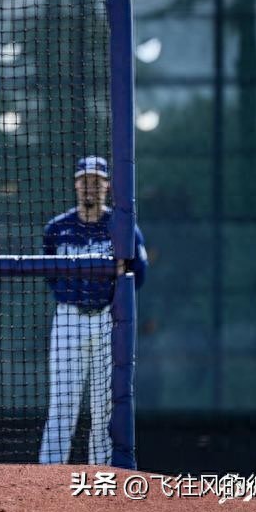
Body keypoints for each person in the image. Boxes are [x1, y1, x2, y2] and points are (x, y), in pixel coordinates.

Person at [38, 156, 148, 465]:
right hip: (69, 318)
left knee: (104, 408)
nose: (90, 187)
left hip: (106, 320)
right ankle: (47, 477)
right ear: (76, 185)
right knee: (62, 405)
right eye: (84, 181)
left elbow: (139, 274)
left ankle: (101, 475)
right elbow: (49, 275)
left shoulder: (122, 226)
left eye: (96, 182)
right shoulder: (57, 228)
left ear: (107, 186)